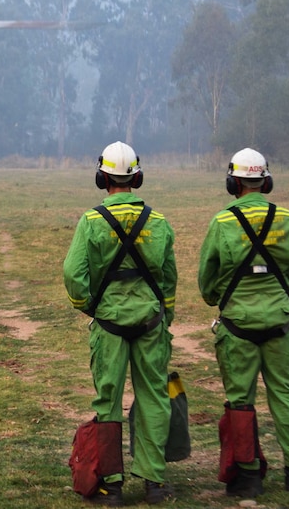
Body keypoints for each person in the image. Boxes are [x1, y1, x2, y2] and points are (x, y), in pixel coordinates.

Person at [63, 142, 177, 506]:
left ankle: (111, 484)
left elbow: (72, 273)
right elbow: (169, 277)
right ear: (137, 177)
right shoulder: (157, 222)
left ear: (102, 177)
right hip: (150, 322)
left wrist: (89, 306)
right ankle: (154, 483)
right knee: (155, 399)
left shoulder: (91, 220)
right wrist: (165, 314)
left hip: (109, 323)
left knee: (108, 402)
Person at [198, 148, 289, 498]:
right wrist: (275, 295)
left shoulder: (223, 222)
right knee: (286, 394)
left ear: (233, 182)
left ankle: (248, 477)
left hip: (238, 326)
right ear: (266, 180)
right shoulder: (287, 219)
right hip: (279, 322)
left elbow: (207, 279)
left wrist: (221, 297)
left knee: (240, 400)